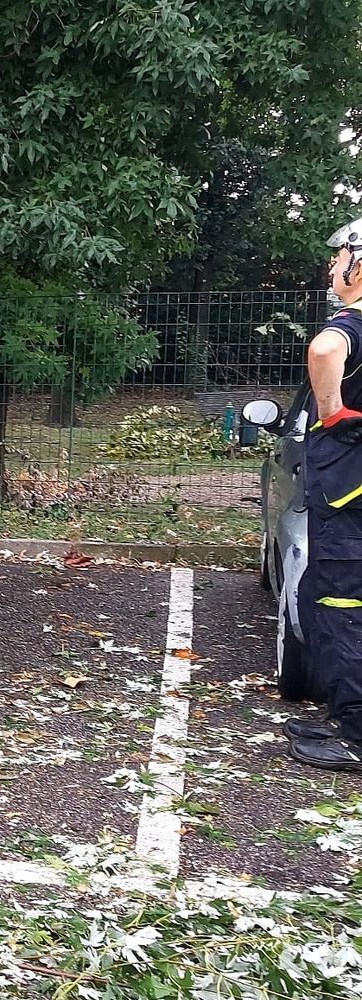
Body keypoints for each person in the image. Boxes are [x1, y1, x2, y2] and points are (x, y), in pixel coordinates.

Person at [286, 215, 362, 772]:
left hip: (348, 496)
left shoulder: (352, 323)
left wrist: (332, 411)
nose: (332, 270)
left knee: (343, 605)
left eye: (338, 260)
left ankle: (356, 733)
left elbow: (323, 349)